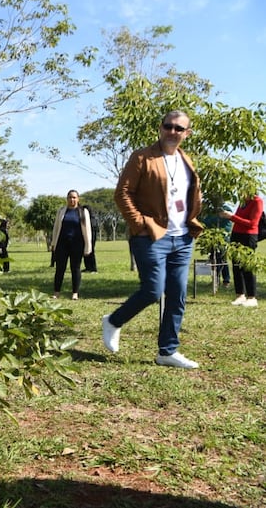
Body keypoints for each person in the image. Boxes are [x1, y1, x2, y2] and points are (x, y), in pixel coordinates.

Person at [102, 110, 204, 369]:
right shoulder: (142, 157)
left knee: (177, 294)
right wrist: (139, 224)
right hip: (151, 236)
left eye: (178, 128)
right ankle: (113, 321)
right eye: (168, 126)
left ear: (186, 133)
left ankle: (167, 351)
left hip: (182, 238)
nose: (172, 132)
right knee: (152, 290)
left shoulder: (186, 160)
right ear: (160, 128)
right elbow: (122, 193)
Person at [219, 193, 262, 306]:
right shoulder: (243, 202)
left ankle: (252, 297)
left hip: (248, 236)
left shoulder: (257, 202)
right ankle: (240, 295)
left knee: (247, 266)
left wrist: (231, 217)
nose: (240, 194)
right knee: (236, 266)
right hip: (236, 235)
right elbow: (238, 218)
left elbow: (253, 223)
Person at [50, 190, 92, 300]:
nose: (72, 200)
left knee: (75, 268)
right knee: (60, 268)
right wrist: (53, 243)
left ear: (78, 199)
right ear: (67, 199)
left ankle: (75, 292)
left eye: (74, 197)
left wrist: (88, 246)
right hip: (62, 244)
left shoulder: (83, 212)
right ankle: (56, 292)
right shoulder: (61, 211)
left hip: (77, 244)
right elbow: (56, 228)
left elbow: (88, 230)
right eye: (70, 197)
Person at [201, 202, 233, 288]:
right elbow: (204, 221)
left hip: (222, 238)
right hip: (211, 238)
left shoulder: (226, 208)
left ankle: (225, 280)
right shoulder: (210, 209)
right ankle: (216, 280)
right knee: (213, 258)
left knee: (221, 259)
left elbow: (214, 221)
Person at [82, 204, 98, 273]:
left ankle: (93, 268)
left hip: (91, 238)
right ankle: (88, 267)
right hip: (86, 238)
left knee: (91, 252)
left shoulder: (92, 219)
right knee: (85, 252)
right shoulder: (86, 219)